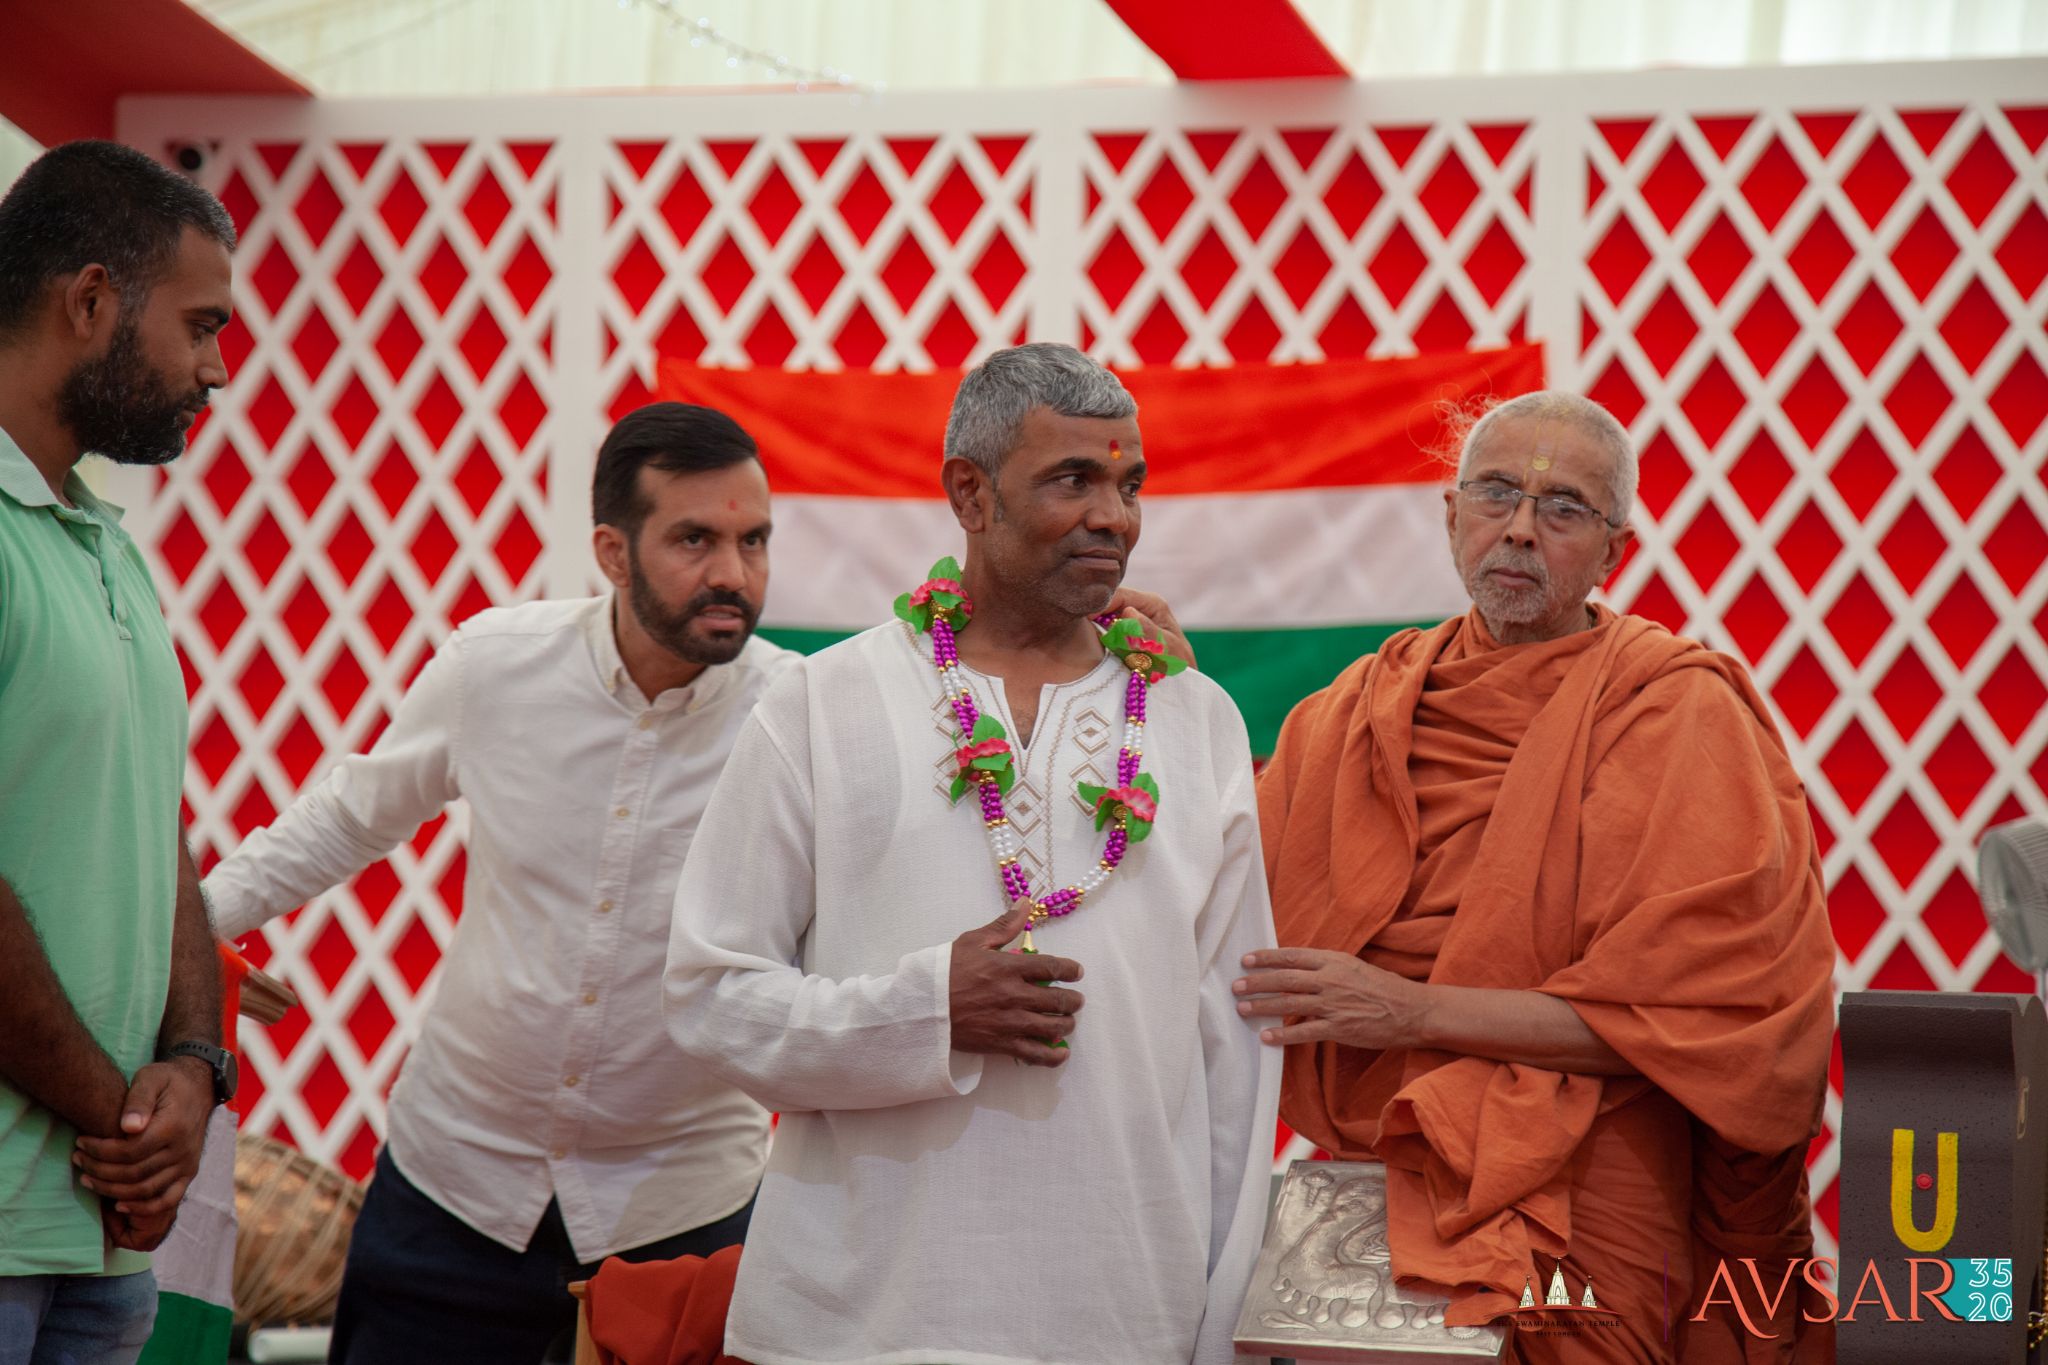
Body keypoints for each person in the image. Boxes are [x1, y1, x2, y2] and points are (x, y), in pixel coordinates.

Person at [203, 397, 1201, 1362]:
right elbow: (340, 821)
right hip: (454, 1184)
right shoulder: (493, 668)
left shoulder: (805, 710)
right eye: (694, 543)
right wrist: (183, 938)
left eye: (755, 543)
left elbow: (970, 662)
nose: (732, 573)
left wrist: (1091, 630)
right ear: (610, 553)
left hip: (682, 1212)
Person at [662, 342, 1281, 1365]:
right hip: (861, 1322)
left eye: (1129, 486)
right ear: (970, 493)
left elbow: (1233, 1061)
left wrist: (1217, 1332)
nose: (1112, 517)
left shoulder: (1193, 721)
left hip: (1125, 1317)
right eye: (1071, 480)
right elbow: (708, 1000)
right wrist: (924, 1012)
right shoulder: (823, 704)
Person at [1238, 390, 1836, 1363]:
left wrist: (1411, 1012)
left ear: (1612, 550)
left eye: (1561, 510)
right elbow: (1217, 896)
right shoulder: (1358, 711)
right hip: (1387, 1184)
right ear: (1450, 517)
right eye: (1495, 494)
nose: (1518, 529)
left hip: (1592, 1174)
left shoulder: (1674, 710)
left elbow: (1699, 1022)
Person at [0, 141, 239, 1364]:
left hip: (103, 1241)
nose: (216, 369)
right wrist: (131, 1119)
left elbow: (159, 831)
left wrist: (195, 1066)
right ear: (89, 301)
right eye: (200, 325)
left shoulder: (104, 542)